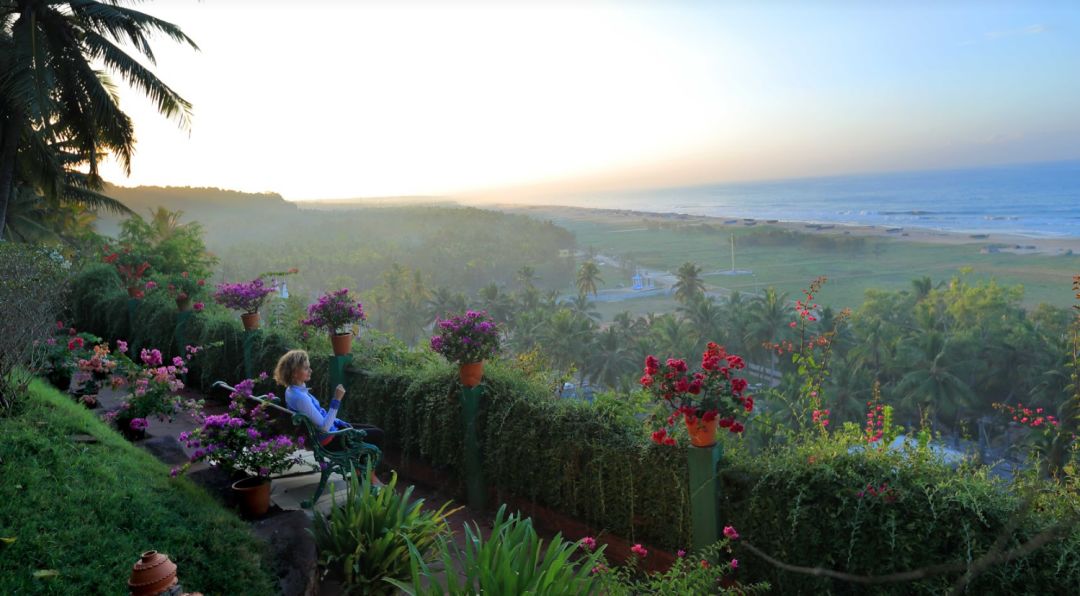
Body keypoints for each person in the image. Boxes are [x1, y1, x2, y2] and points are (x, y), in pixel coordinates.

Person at [274, 349, 383, 485]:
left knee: (371, 430)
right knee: (377, 435)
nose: (310, 371)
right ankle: (370, 476)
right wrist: (336, 399)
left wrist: (338, 420)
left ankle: (359, 472)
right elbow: (325, 427)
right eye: (306, 368)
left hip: (326, 433)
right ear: (295, 373)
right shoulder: (301, 398)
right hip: (330, 440)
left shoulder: (291, 390)